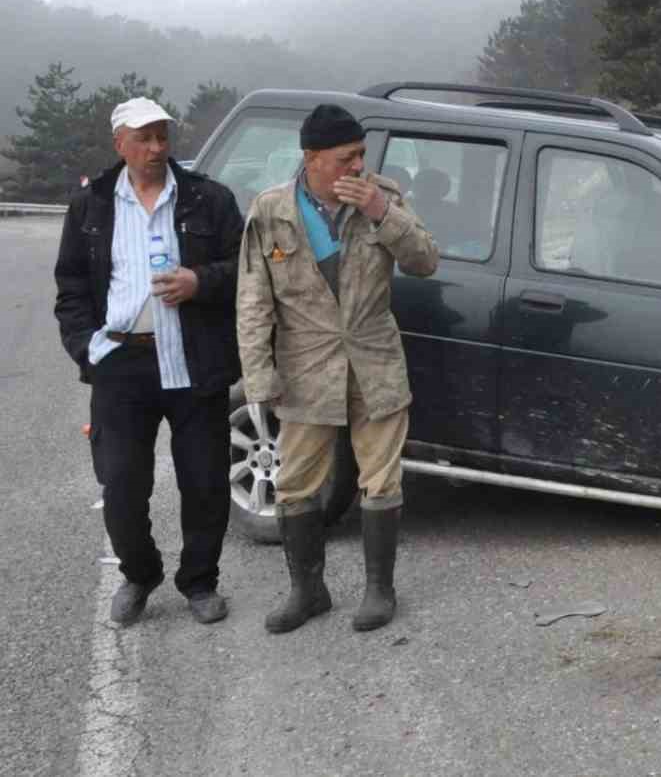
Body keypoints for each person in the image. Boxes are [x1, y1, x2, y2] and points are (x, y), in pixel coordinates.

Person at [237, 104, 438, 634]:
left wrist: (381, 212)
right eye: (346, 158)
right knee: (296, 482)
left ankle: (379, 590)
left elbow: (424, 260)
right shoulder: (271, 211)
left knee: (381, 478)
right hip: (305, 366)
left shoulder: (382, 195)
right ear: (312, 159)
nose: (357, 167)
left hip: (374, 359)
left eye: (361, 155)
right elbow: (253, 300)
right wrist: (258, 376)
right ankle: (308, 590)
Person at [53, 97, 244, 625]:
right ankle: (139, 574)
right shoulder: (91, 206)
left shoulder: (209, 199)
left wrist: (200, 281)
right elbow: (70, 286)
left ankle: (200, 582)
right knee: (122, 484)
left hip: (193, 359)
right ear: (121, 144)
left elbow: (245, 269)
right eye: (145, 137)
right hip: (122, 365)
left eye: (163, 136)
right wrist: (87, 347)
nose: (157, 147)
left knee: (204, 481)